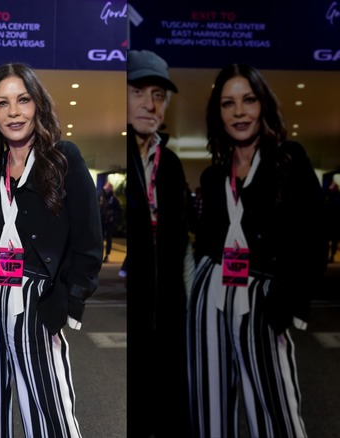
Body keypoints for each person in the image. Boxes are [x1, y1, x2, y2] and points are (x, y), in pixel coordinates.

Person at [0, 63, 102, 437]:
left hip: (36, 299)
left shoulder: (64, 159)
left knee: (51, 415)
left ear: (37, 104)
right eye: (2, 103)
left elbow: (89, 241)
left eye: (22, 100)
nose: (14, 112)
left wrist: (71, 300)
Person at [189, 64, 326, 437]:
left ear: (263, 104)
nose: (239, 112)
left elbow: (314, 235)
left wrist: (288, 303)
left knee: (276, 412)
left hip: (263, 298)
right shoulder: (214, 175)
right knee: (210, 405)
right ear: (218, 113)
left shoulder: (288, 159)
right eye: (227, 103)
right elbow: (205, 239)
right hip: (211, 293)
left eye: (248, 100)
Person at [125, 49, 192, 437]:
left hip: (168, 316)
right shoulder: (127, 157)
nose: (149, 104)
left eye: (158, 95)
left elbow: (181, 241)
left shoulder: (172, 165)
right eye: (137, 92)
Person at [99, 182, 121, 262]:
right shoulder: (101, 195)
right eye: (106, 186)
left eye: (109, 187)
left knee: (108, 238)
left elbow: (118, 209)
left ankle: (107, 255)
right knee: (100, 238)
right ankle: (99, 254)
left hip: (109, 221)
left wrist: (113, 217)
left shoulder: (113, 198)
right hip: (101, 220)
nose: (107, 188)